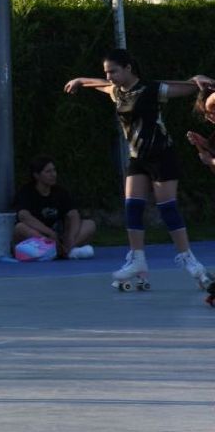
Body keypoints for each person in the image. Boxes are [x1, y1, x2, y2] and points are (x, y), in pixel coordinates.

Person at [64, 49, 214, 289]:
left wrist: (197, 79)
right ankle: (137, 259)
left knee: (167, 208)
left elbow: (185, 88)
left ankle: (188, 259)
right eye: (107, 72)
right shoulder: (116, 92)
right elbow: (100, 84)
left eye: (113, 71)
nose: (109, 76)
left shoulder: (152, 89)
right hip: (138, 158)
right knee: (132, 207)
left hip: (162, 156)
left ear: (128, 68)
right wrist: (80, 80)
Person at [12, 155, 96, 259]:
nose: (53, 174)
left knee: (90, 224)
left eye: (54, 170)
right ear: (36, 175)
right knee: (20, 228)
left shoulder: (60, 192)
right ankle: (54, 249)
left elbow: (73, 214)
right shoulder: (26, 192)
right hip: (39, 237)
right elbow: (23, 216)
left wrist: (71, 238)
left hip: (59, 237)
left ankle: (66, 249)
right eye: (48, 172)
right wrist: (50, 233)